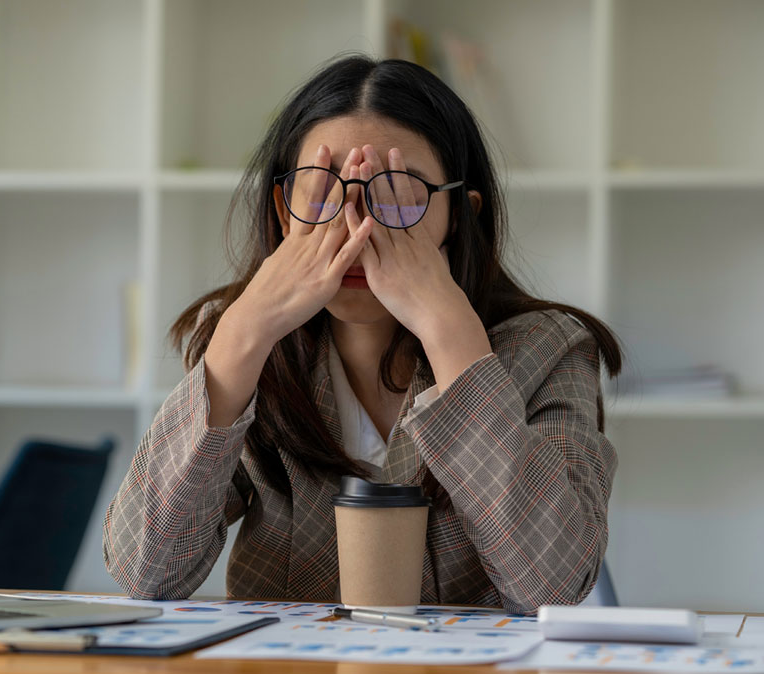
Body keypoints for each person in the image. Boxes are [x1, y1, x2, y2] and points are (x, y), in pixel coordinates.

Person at [103, 54, 622, 614]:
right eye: (322, 190)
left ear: (460, 216)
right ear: (283, 210)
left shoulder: (550, 349)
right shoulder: (245, 345)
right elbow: (144, 572)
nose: (355, 226)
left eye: (397, 193)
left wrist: (453, 337)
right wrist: (242, 335)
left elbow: (554, 585)